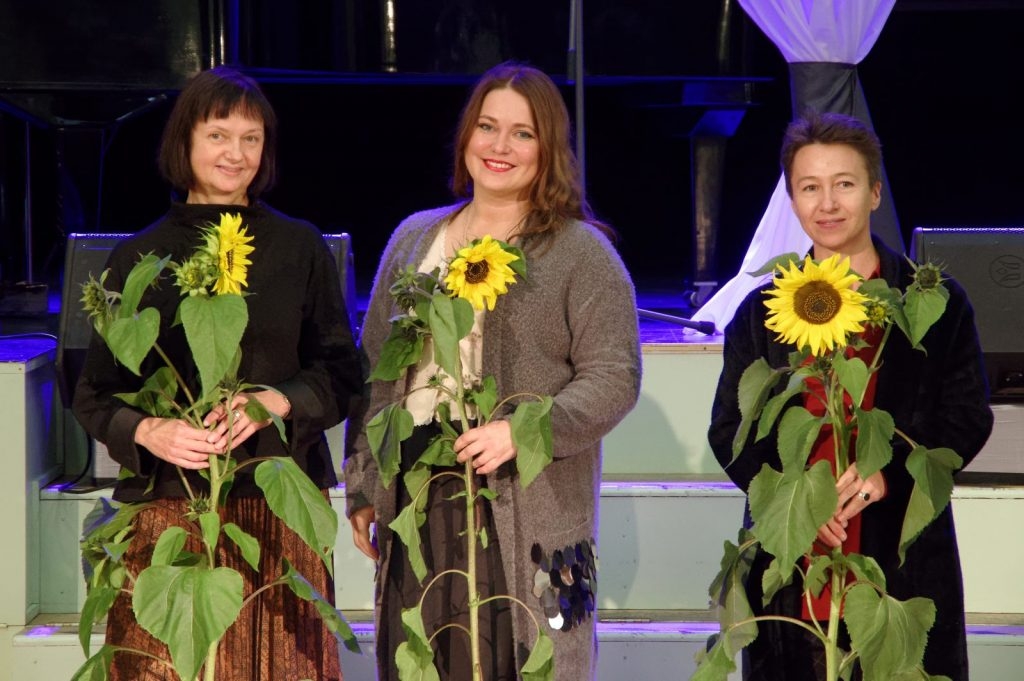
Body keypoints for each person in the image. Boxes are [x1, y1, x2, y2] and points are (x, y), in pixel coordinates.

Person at [344, 61, 642, 681]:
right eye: (487, 127)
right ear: (466, 138)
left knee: (518, 660)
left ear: (548, 149)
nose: (500, 147)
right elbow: (374, 373)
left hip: (526, 499)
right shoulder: (414, 238)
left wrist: (523, 431)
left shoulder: (579, 251)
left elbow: (614, 377)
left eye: (522, 133)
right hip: (419, 498)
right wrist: (365, 484)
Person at [72, 65, 363, 680]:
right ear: (185, 142)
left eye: (251, 138)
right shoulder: (139, 257)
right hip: (170, 506)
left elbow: (341, 373)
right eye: (218, 135)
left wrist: (277, 402)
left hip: (276, 502)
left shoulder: (298, 246)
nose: (236, 153)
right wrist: (151, 432)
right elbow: (95, 394)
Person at [707, 110, 993, 681]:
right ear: (792, 201)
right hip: (795, 558)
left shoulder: (930, 302)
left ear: (874, 192)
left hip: (899, 549)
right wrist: (796, 509)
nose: (828, 203)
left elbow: (965, 417)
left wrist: (890, 473)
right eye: (810, 188)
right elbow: (730, 430)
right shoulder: (764, 311)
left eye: (844, 184)